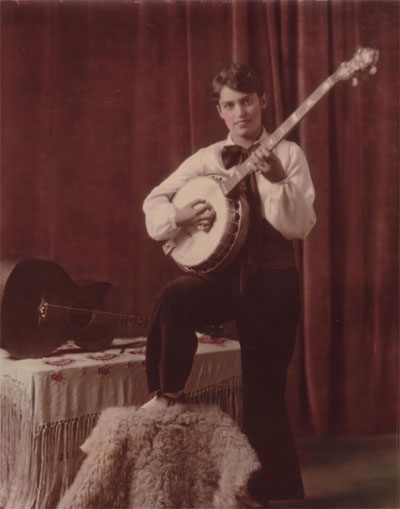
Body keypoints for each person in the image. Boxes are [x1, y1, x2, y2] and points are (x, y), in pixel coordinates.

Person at [141, 62, 316, 508]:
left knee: (263, 389)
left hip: (273, 282)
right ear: (220, 111)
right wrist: (180, 216)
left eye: (248, 101)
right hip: (221, 278)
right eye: (230, 105)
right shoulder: (207, 158)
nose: (241, 113)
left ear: (263, 102)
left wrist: (277, 178)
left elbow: (300, 226)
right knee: (175, 297)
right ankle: (167, 393)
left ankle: (270, 494)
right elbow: (154, 200)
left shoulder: (289, 153)